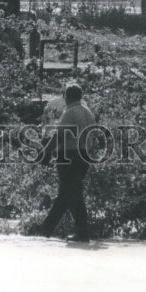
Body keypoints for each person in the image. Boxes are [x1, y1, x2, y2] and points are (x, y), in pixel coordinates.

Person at [39, 83, 95, 241]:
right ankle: (46, 229)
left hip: (69, 156)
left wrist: (46, 152)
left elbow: (59, 136)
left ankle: (82, 232)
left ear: (66, 96)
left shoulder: (69, 112)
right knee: (66, 194)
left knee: (73, 194)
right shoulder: (88, 112)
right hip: (84, 156)